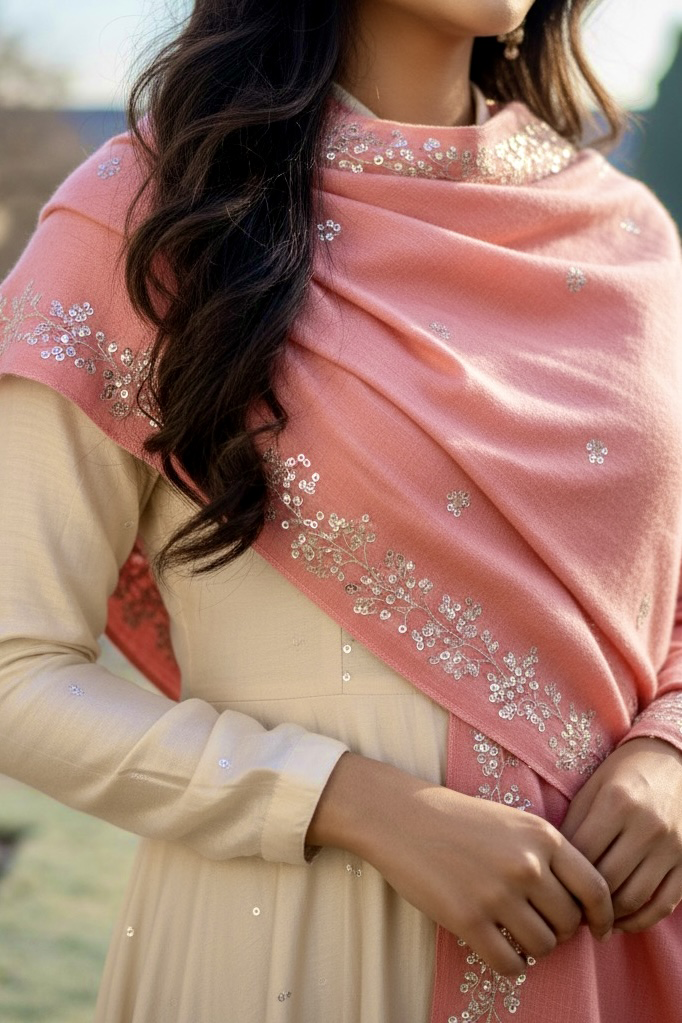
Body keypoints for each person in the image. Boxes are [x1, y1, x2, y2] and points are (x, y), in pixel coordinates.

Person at [0, 0, 681, 1020]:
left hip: (615, 950)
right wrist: (346, 804)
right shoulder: (158, 214)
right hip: (290, 953)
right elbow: (16, 670)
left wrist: (669, 755)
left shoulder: (627, 237)